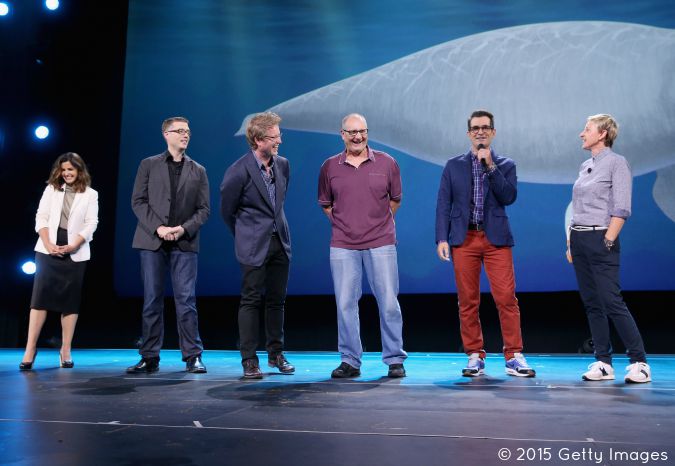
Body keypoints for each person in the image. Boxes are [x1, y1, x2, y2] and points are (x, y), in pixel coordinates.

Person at [435, 109, 535, 378]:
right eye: (475, 128)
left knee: (506, 299)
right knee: (468, 301)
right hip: (463, 239)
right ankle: (474, 355)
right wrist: (442, 238)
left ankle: (513, 355)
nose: (480, 131)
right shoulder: (453, 165)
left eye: (485, 127)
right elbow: (444, 203)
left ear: (493, 132)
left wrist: (490, 165)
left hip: (496, 241)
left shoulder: (505, 164)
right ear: (469, 133)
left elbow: (508, 196)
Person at [318, 113, 407, 379]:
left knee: (389, 303)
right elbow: (326, 204)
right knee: (345, 304)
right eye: (352, 132)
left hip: (381, 242)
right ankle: (350, 360)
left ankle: (394, 359)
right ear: (342, 135)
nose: (358, 136)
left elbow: (395, 200)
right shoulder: (329, 167)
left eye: (362, 131)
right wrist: (346, 224)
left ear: (367, 132)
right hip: (343, 244)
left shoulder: (388, 162)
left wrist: (375, 224)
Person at [567, 114, 651, 383]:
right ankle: (603, 361)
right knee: (592, 303)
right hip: (579, 239)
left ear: (602, 134)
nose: (582, 134)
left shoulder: (617, 163)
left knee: (612, 301)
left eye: (587, 129)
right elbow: (578, 208)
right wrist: (571, 241)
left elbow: (621, 207)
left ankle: (639, 361)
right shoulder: (584, 166)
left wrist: (607, 240)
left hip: (601, 238)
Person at [127, 116, 210, 374]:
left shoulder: (198, 169)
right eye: (180, 131)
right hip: (152, 240)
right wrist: (159, 228)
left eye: (188, 131)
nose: (185, 135)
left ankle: (193, 355)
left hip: (184, 241)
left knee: (186, 300)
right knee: (152, 299)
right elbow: (138, 201)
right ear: (166, 134)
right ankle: (149, 356)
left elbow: (204, 209)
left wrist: (183, 228)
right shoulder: (148, 165)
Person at [220, 112, 294, 379]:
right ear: (259, 139)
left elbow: (279, 203)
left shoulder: (283, 165)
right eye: (275, 137)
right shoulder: (238, 170)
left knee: (277, 301)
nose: (279, 141)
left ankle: (276, 354)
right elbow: (227, 211)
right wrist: (244, 235)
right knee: (251, 300)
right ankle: (249, 360)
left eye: (279, 136)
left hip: (279, 242)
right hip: (253, 245)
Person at [19, 152, 99, 371]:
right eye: (63, 170)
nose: (66, 173)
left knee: (70, 301)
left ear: (79, 171)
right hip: (47, 249)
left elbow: (91, 224)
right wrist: (47, 244)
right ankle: (30, 348)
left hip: (75, 250)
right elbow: (41, 217)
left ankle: (65, 350)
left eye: (71, 170)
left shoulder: (91, 194)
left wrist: (74, 245)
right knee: (39, 298)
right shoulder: (51, 190)